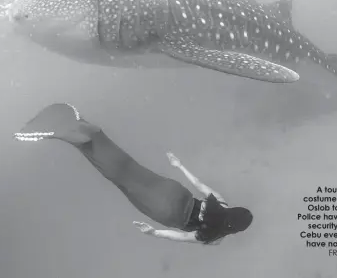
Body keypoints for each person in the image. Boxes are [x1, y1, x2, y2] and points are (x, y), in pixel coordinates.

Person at [14, 103, 253, 245]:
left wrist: (178, 165)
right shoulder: (214, 238)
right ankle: (80, 141)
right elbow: (180, 238)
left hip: (176, 192)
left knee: (130, 167)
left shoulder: (222, 201)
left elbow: (199, 184)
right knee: (121, 180)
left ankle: (94, 134)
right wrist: (154, 233)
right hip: (165, 211)